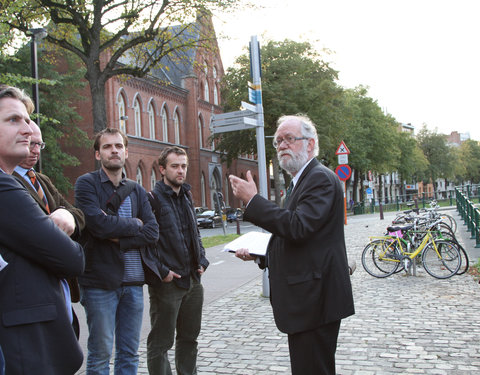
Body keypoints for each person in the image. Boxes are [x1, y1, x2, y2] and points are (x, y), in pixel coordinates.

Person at [229, 114, 355, 375]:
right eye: (278, 142)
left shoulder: (319, 178)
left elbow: (298, 227)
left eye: (289, 139)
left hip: (315, 301)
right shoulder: (301, 182)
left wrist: (253, 201)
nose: (282, 145)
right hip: (308, 300)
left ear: (310, 144)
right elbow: (300, 240)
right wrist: (261, 255)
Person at [0, 85, 84, 374]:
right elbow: (73, 259)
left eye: (26, 120)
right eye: (13, 120)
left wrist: (66, 216)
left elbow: (73, 211)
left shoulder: (39, 180)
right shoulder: (3, 187)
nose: (27, 130)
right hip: (24, 346)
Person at [74, 128, 159, 375]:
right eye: (108, 147)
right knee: (101, 354)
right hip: (100, 283)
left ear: (126, 151)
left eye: (119, 146)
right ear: (98, 154)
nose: (114, 151)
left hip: (134, 283)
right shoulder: (86, 184)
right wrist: (134, 224)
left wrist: (117, 238)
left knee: (129, 353)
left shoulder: (137, 189)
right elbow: (97, 226)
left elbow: (152, 232)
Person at [13, 121, 86, 337]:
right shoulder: (9, 181)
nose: (35, 150)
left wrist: (67, 215)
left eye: (40, 145)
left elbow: (80, 215)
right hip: (33, 288)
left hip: (58, 281)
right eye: (31, 144)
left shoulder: (41, 179)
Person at [146, 146, 209, 375]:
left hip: (193, 280)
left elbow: (195, 232)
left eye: (183, 166)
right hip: (167, 284)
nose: (180, 171)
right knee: (161, 343)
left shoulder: (187, 196)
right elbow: (146, 244)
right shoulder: (151, 199)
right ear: (162, 169)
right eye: (175, 166)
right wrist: (162, 271)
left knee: (189, 339)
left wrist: (201, 259)